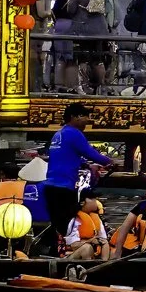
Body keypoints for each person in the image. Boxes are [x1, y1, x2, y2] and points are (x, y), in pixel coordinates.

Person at [41, 101, 110, 256]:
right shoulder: (74, 133)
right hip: (63, 188)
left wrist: (86, 165)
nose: (87, 121)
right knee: (69, 224)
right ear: (74, 117)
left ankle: (56, 253)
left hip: (50, 187)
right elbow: (90, 152)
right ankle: (71, 255)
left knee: (58, 225)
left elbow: (66, 157)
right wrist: (109, 162)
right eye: (84, 117)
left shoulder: (58, 134)